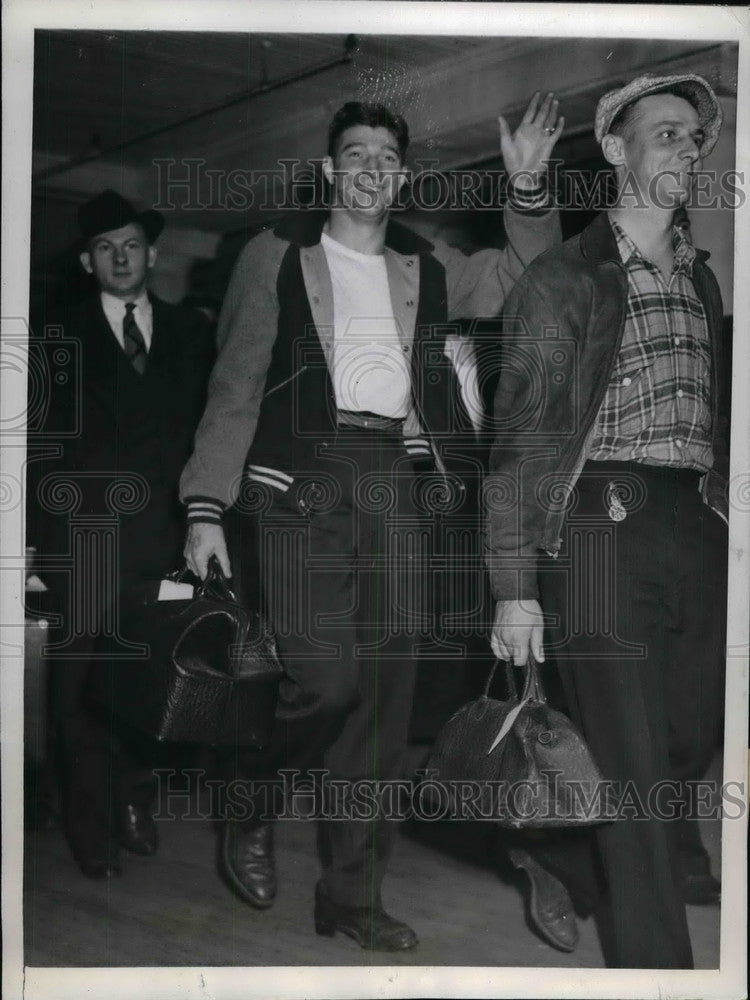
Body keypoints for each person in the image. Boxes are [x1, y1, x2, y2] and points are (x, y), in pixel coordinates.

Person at [180, 94, 564, 950]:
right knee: (325, 685)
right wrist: (204, 506)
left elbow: (525, 277)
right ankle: (252, 791)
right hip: (298, 488)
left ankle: (351, 897)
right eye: (355, 154)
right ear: (330, 169)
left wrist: (529, 183)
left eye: (386, 158)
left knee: (384, 715)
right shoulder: (275, 255)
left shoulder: (426, 266)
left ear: (402, 175)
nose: (370, 170)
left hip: (394, 483)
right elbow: (235, 388)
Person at [486, 73, 729, 968]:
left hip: (693, 520)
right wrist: (515, 590)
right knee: (630, 763)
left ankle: (557, 849)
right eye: (665, 133)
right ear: (618, 152)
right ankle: (661, 974)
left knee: (685, 742)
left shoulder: (700, 280)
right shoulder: (565, 279)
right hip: (593, 524)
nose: (687, 148)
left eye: (695, 137)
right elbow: (519, 447)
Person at [29, 190, 215, 878]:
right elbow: (39, 449)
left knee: (150, 675)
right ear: (86, 261)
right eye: (105, 248)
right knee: (80, 684)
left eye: (131, 245)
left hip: (165, 543)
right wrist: (36, 552)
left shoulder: (193, 334)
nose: (120, 257)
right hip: (84, 540)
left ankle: (136, 795)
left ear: (153, 255)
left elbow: (209, 437)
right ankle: (91, 827)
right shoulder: (58, 337)